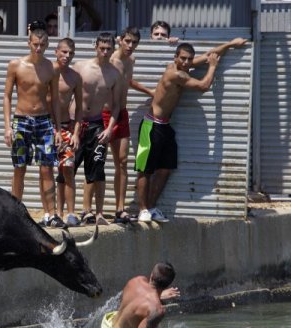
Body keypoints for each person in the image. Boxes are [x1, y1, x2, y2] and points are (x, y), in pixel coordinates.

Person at [135, 38, 247, 223]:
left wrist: (230, 44)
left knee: (165, 169)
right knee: (144, 170)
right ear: (175, 58)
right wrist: (212, 67)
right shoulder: (176, 74)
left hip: (164, 126)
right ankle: (142, 210)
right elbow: (203, 86)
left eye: (189, 59)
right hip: (151, 126)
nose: (186, 62)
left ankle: (152, 207)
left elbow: (210, 53)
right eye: (183, 59)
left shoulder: (184, 68)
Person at [3, 28, 64, 228]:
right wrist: (7, 127)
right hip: (21, 120)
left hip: (43, 121)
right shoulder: (16, 65)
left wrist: (57, 128)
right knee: (19, 168)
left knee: (47, 168)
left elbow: (55, 99)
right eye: (35, 44)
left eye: (42, 45)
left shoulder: (52, 68)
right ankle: (14, 212)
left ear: (47, 45)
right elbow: (7, 96)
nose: (38, 48)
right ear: (29, 43)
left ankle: (51, 214)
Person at [71, 32, 122, 226]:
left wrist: (109, 129)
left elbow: (116, 105)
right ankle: (69, 212)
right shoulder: (81, 67)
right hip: (76, 123)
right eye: (102, 48)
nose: (105, 52)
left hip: (96, 125)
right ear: (96, 47)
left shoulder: (114, 74)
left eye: (109, 48)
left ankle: (98, 213)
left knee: (97, 170)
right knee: (68, 168)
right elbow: (65, 93)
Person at [104, 27, 153, 223]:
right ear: (120, 40)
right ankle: (88, 210)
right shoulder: (110, 61)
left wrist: (149, 91)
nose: (131, 46)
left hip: (122, 113)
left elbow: (128, 81)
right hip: (105, 113)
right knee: (95, 162)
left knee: (122, 162)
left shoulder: (130, 61)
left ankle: (120, 208)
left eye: (134, 43)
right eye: (128, 41)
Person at [100, 262, 192, 328]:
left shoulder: (136, 281)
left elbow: (128, 302)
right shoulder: (156, 310)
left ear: (152, 275)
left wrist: (158, 296)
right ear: (166, 285)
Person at [53, 38, 82, 227]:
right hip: (46, 126)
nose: (67, 56)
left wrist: (76, 132)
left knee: (68, 169)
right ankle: (54, 212)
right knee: (47, 171)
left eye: (71, 53)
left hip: (65, 127)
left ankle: (71, 213)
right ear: (56, 51)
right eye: (64, 52)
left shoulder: (74, 77)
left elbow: (80, 107)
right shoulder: (48, 72)